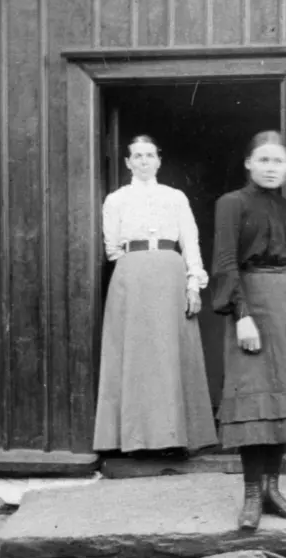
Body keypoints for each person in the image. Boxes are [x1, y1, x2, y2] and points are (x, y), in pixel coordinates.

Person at [210, 131, 286, 530]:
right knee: (255, 399)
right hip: (254, 301)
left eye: (278, 162)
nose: (270, 168)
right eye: (262, 160)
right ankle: (250, 495)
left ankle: (272, 490)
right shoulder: (232, 203)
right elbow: (227, 262)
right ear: (248, 163)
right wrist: (241, 314)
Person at [93, 135, 218, 458]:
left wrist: (193, 284)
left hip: (170, 273)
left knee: (169, 354)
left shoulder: (174, 197)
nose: (144, 161)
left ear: (159, 160)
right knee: (136, 356)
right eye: (137, 156)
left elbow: (190, 241)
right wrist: (133, 274)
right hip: (131, 275)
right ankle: (135, 440)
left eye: (150, 155)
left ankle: (174, 437)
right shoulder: (116, 199)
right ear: (128, 162)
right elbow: (112, 248)